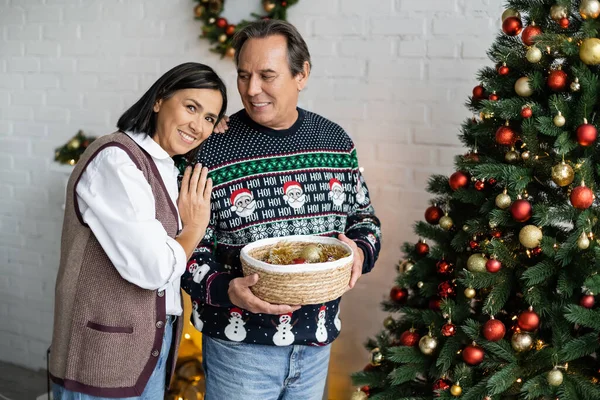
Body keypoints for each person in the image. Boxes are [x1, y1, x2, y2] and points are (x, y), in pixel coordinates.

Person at [180, 20, 382, 399]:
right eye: (243, 76)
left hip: (316, 345)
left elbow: (365, 221)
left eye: (266, 76)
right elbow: (183, 248)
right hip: (238, 351)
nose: (251, 90)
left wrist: (358, 252)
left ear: (301, 74)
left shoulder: (335, 142)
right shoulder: (208, 150)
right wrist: (227, 290)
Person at [49, 62, 227, 399]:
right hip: (102, 360)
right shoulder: (115, 161)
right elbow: (154, 269)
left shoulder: (167, 165)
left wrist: (217, 126)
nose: (198, 125)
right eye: (191, 107)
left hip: (149, 353)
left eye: (209, 118)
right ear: (159, 99)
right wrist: (194, 228)